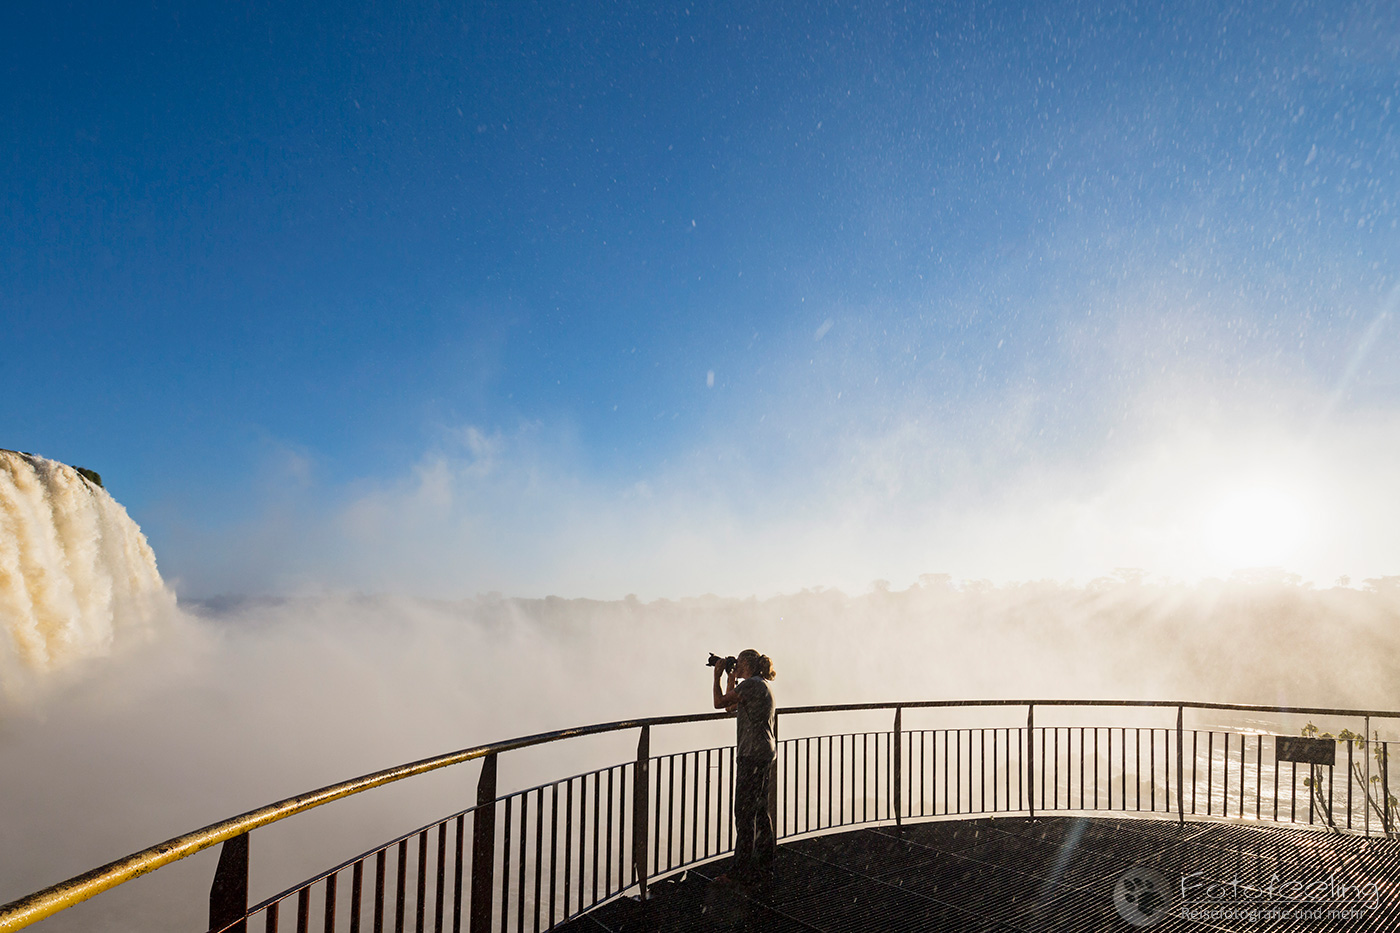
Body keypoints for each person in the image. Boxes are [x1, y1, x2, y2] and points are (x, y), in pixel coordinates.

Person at [711, 648, 777, 886]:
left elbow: (719, 703)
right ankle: (764, 865)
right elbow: (731, 707)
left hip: (751, 756)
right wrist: (731, 678)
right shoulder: (760, 685)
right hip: (763, 753)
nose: (735, 665)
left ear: (746, 664)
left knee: (744, 813)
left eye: (737, 663)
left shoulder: (751, 685)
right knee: (759, 811)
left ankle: (740, 872)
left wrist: (717, 676)